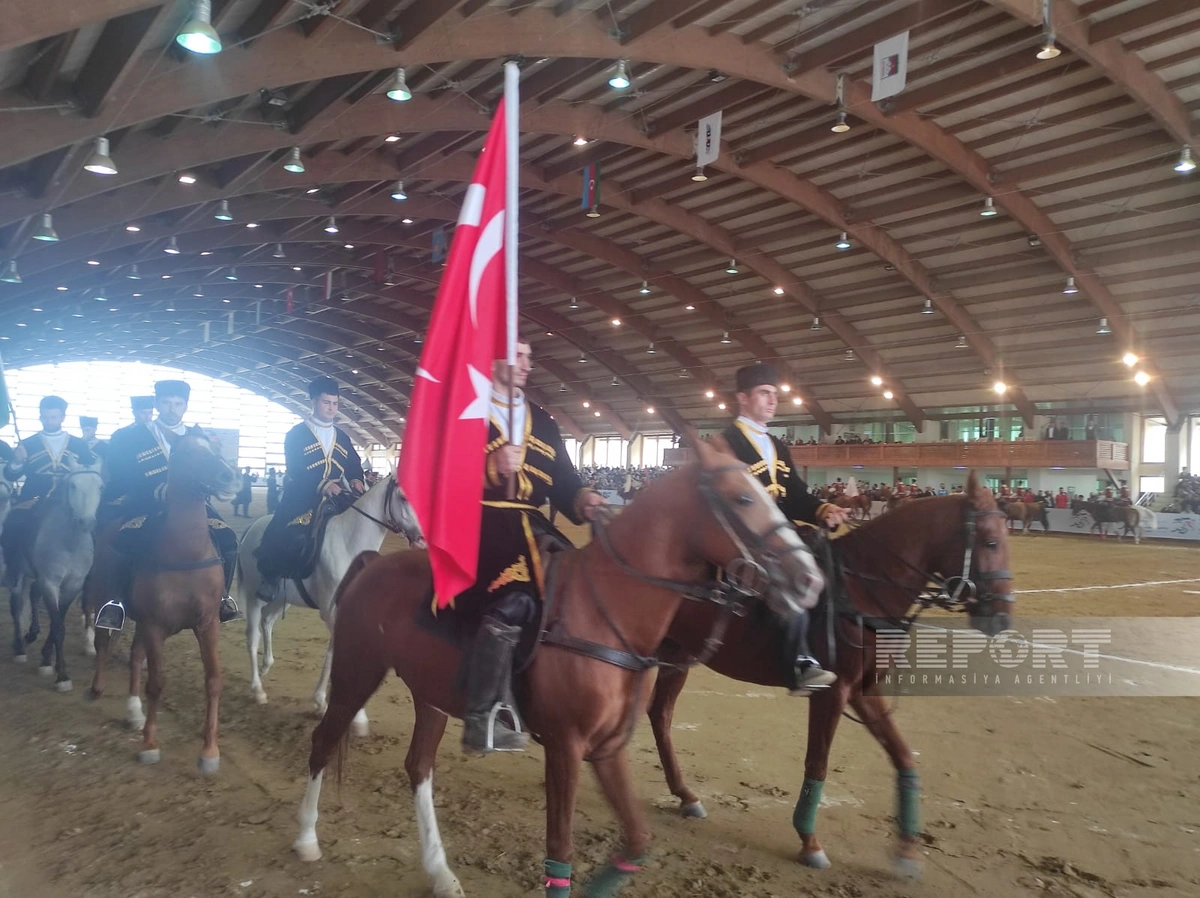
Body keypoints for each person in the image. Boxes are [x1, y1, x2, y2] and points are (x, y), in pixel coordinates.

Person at [459, 340, 607, 754]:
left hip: (532, 525)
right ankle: (483, 714)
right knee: (516, 597)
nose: (527, 363)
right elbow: (442, 471)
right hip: (481, 522)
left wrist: (582, 498)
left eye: (529, 355)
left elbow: (564, 478)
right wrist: (489, 467)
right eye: (517, 355)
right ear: (494, 360)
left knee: (580, 585)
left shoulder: (542, 420)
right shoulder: (469, 411)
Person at [721, 364, 847, 696]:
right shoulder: (726, 443)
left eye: (775, 395)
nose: (773, 401)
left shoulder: (778, 446)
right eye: (764, 393)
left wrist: (824, 509)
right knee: (795, 577)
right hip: (744, 535)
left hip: (779, 533)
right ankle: (798, 663)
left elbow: (796, 495)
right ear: (743, 398)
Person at [93, 380, 240, 630]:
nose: (172, 409)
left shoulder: (199, 438)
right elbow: (120, 474)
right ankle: (115, 603)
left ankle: (223, 598)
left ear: (185, 405)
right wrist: (155, 490)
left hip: (192, 507)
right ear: (157, 404)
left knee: (227, 538)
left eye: (178, 404)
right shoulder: (128, 437)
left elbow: (211, 470)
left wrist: (219, 487)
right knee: (122, 541)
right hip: (145, 504)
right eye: (167, 403)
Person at [255, 376, 366, 601]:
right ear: (314, 401)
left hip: (338, 497)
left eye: (335, 403)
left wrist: (356, 479)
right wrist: (323, 484)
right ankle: (271, 576)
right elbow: (295, 468)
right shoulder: (296, 434)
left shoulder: (342, 436)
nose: (331, 408)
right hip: (302, 496)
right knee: (282, 531)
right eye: (326, 403)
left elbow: (354, 463)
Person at [1, 396, 96, 587]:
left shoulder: (78, 444)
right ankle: (13, 571)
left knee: (92, 525)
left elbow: (88, 472)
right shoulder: (27, 444)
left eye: (54, 417)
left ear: (62, 417)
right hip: (35, 498)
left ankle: (90, 573)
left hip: (70, 499)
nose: (50, 421)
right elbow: (10, 475)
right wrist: (17, 461)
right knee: (12, 524)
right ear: (40, 417)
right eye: (45, 417)